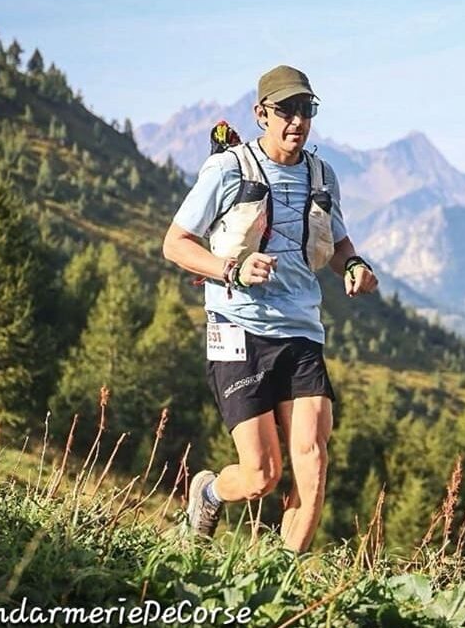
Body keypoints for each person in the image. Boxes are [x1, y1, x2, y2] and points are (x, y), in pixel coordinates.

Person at [162, 65, 378, 552]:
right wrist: (230, 269)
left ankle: (281, 579)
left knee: (313, 458)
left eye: (306, 109)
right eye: (286, 110)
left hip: (302, 331)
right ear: (262, 114)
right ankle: (210, 492)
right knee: (262, 475)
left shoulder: (322, 174)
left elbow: (340, 243)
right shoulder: (228, 170)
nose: (297, 120)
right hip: (238, 329)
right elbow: (175, 244)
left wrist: (354, 266)